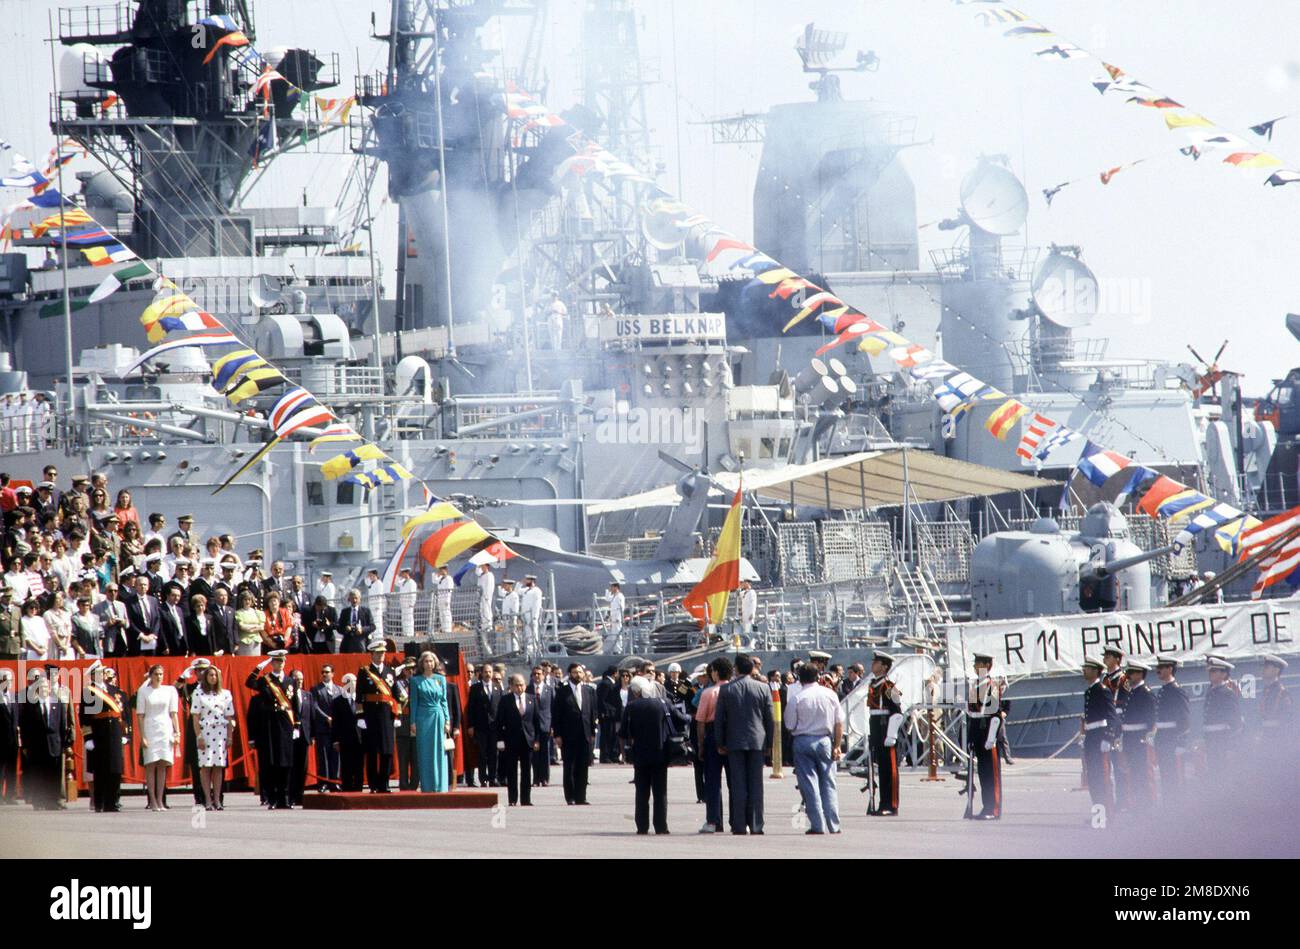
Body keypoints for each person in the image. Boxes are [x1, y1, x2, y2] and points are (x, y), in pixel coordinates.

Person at [714, 653, 774, 835]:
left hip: (734, 742)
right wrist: (770, 743)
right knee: (756, 785)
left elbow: (719, 720)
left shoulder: (726, 690)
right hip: (757, 741)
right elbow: (770, 719)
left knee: (738, 784)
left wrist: (720, 742)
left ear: (736, 669)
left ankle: (739, 825)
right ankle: (756, 825)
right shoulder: (764, 688)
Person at [621, 676, 689, 834]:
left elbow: (623, 731)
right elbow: (681, 720)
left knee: (641, 792)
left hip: (639, 755)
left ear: (636, 691)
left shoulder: (631, 707)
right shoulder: (663, 704)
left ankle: (642, 826)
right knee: (660, 792)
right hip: (660, 753)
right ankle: (661, 826)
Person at [784, 662, 844, 834]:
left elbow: (789, 724)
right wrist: (838, 746)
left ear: (799, 679)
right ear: (818, 676)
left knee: (809, 784)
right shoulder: (830, 694)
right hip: (825, 740)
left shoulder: (797, 698)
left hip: (802, 741)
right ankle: (834, 824)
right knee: (829, 783)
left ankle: (817, 825)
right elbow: (839, 722)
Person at [245, 651, 296, 809]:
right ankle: (272, 798)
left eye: (281, 661)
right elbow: (249, 683)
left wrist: (298, 725)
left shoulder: (290, 681)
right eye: (275, 662)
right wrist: (259, 667)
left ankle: (285, 797)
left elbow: (295, 704)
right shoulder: (265, 680)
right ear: (271, 663)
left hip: (285, 725)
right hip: (269, 725)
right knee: (271, 763)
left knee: (285, 763)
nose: (279, 664)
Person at [80, 662, 130, 813]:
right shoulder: (89, 692)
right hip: (99, 731)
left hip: (115, 732)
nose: (102, 675)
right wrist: (88, 737)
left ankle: (112, 802)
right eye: (99, 672)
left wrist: (125, 733)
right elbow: (84, 717)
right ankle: (100, 802)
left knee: (115, 769)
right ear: (93, 675)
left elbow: (124, 714)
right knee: (101, 769)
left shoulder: (114, 691)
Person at [20, 671, 72, 810]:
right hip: (37, 744)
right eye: (41, 687)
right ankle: (39, 802)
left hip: (55, 743)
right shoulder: (31, 705)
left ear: (49, 688)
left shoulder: (58, 703)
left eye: (46, 687)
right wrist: (25, 745)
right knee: (39, 773)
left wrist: (64, 744)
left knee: (54, 773)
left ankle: (53, 800)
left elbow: (62, 725)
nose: (44, 689)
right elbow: (25, 726)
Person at [356, 639, 399, 792]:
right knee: (372, 752)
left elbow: (396, 695)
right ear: (372, 654)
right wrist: (360, 717)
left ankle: (384, 784)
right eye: (378, 653)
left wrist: (397, 716)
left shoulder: (390, 671)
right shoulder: (364, 671)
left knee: (387, 752)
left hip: (387, 716)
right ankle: (374, 785)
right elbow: (359, 695)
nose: (381, 655)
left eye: (383, 653)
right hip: (371, 716)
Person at [135, 664, 180, 811]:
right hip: (149, 727)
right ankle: (152, 800)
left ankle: (160, 800)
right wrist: (143, 736)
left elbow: (173, 713)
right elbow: (140, 716)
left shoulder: (170, 690)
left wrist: (177, 732)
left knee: (162, 766)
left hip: (165, 728)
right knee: (150, 765)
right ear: (150, 675)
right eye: (156, 674)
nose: (159, 677)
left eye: (161, 674)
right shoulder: (143, 691)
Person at [191, 664, 235, 811]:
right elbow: (195, 717)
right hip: (205, 731)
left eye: (215, 675)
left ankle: (217, 799)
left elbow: (229, 717)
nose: (213, 677)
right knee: (205, 767)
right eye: (210, 675)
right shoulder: (198, 693)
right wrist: (199, 736)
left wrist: (229, 736)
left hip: (220, 732)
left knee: (218, 767)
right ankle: (207, 800)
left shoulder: (225, 694)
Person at [552, 662, 597, 805]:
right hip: (568, 734)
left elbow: (592, 712)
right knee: (569, 766)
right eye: (575, 672)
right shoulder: (561, 691)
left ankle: (581, 796)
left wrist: (592, 731)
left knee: (583, 766)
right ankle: (570, 796)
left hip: (585, 734)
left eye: (580, 672)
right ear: (570, 674)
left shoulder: (588, 690)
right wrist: (557, 735)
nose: (578, 675)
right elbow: (556, 714)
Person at [865, 652, 904, 816]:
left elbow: (897, 713)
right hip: (876, 728)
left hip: (886, 729)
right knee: (881, 770)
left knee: (890, 769)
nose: (873, 664)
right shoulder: (874, 684)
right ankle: (883, 803)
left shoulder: (889, 687)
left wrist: (892, 735)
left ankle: (891, 804)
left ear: (884, 666)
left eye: (877, 662)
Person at [1081, 657, 1121, 814]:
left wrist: (1108, 737)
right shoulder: (1089, 691)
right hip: (1091, 737)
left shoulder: (1102, 690)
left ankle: (1108, 814)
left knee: (1102, 777)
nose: (1084, 671)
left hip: (1099, 737)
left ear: (1096, 671)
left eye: (1087, 668)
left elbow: (1112, 716)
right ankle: (1099, 814)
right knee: (1093, 778)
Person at [495, 673, 541, 806]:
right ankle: (513, 799)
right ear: (511, 686)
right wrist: (500, 740)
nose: (520, 688)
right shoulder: (505, 700)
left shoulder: (532, 699)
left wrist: (537, 740)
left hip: (527, 740)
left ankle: (526, 799)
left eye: (522, 685)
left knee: (527, 771)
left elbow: (536, 721)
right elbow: (499, 722)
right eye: (517, 685)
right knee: (512, 771)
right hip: (511, 741)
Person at [967, 653, 1003, 820]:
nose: (975, 666)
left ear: (988, 666)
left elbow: (995, 715)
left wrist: (991, 738)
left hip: (987, 734)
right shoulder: (975, 685)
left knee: (991, 774)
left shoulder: (991, 685)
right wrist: (970, 738)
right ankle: (985, 806)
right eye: (975, 663)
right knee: (983, 773)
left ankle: (993, 808)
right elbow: (972, 714)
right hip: (978, 733)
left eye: (979, 663)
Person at [410, 651, 451, 792]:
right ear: (422, 664)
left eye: (431, 661)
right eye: (426, 661)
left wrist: (447, 720)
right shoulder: (415, 681)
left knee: (440, 750)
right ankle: (427, 786)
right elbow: (413, 702)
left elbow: (444, 701)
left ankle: (441, 785)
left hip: (438, 716)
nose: (429, 663)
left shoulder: (441, 679)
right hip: (423, 717)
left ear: (435, 663)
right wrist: (412, 722)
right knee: (425, 751)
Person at [1119, 659, 1157, 811]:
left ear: (1140, 674)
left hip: (1139, 739)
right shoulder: (1132, 692)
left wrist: (1148, 737)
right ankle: (1138, 809)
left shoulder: (1145, 693)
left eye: (1131, 672)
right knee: (1133, 775)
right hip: (1130, 738)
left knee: (1142, 776)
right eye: (1127, 672)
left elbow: (1152, 718)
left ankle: (1146, 809)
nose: (1128, 676)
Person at [1153, 657, 1190, 802]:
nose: (1158, 670)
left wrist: (1181, 742)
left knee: (1176, 777)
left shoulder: (1177, 691)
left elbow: (1184, 719)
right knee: (1166, 775)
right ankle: (1169, 807)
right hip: (1163, 738)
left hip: (1172, 739)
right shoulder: (1164, 690)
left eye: (1161, 667)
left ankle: (1178, 808)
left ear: (1170, 669)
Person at [1202, 656, 1242, 775]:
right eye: (1210, 671)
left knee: (1222, 772)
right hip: (1211, 739)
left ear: (1224, 674)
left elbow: (1236, 721)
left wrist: (1230, 745)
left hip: (1221, 740)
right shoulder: (1211, 691)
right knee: (1213, 771)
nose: (1210, 673)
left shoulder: (1227, 693)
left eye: (1214, 671)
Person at [467, 664, 502, 786]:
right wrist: (470, 725)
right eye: (486, 672)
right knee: (482, 753)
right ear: (481, 673)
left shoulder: (498, 688)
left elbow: (500, 708)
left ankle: (493, 778)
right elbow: (470, 708)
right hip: (480, 726)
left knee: (493, 753)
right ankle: (483, 778)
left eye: (490, 672)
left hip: (494, 727)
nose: (488, 674)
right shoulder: (475, 688)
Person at [311, 665, 342, 791]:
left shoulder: (339, 689)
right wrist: (326, 718)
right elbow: (315, 706)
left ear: (333, 673)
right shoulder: (316, 689)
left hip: (335, 730)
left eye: (327, 672)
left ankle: (334, 782)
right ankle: (323, 782)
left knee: (336, 756)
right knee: (323, 757)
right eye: (322, 672)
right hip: (322, 729)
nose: (324, 674)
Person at [332, 673, 364, 792]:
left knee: (359, 766)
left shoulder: (362, 700)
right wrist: (335, 740)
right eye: (347, 682)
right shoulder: (337, 701)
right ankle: (347, 789)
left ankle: (358, 789)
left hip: (360, 738)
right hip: (345, 739)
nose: (350, 684)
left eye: (353, 681)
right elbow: (335, 723)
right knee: (346, 766)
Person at [289, 669, 315, 805]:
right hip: (292, 734)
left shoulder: (307, 695)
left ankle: (300, 795)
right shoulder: (287, 694)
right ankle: (290, 795)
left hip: (304, 735)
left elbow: (312, 716)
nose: (299, 681)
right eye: (296, 679)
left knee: (302, 767)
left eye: (301, 679)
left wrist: (312, 735)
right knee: (291, 766)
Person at [527, 665, 554, 786]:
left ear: (543, 675)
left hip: (545, 726)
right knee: (534, 754)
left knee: (545, 753)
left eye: (539, 674)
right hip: (531, 727)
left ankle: (545, 778)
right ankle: (536, 778)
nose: (537, 676)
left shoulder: (550, 690)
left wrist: (553, 726)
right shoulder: (527, 689)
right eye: (535, 674)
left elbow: (554, 709)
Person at [394, 660, 417, 790]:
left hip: (416, 724)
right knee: (403, 758)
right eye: (408, 669)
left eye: (413, 669)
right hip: (402, 723)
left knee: (416, 758)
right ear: (404, 670)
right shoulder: (398, 685)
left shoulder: (419, 683)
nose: (410, 672)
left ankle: (414, 784)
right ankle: (403, 784)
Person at [0, 669, 18, 803]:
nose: (10, 683)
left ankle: (10, 795)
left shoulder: (14, 697)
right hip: (1, 740)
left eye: (11, 680)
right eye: (7, 680)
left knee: (11, 769)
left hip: (13, 739)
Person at [337, 588, 373, 653]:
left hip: (362, 641)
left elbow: (372, 626)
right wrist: (346, 629)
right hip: (348, 642)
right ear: (349, 599)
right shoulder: (344, 612)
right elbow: (339, 628)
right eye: (352, 598)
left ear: (360, 599)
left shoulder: (366, 611)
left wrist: (362, 630)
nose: (354, 600)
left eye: (356, 598)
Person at [233, 590, 264, 656]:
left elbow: (261, 627)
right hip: (243, 642)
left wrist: (249, 628)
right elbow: (242, 627)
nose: (247, 601)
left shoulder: (258, 613)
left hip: (256, 641)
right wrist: (256, 626)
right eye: (245, 599)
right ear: (242, 600)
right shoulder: (238, 613)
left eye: (249, 599)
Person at [520, 575, 544, 653]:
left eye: (527, 580)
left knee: (532, 635)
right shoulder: (526, 590)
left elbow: (537, 605)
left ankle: (534, 652)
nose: (526, 581)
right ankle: (528, 652)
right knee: (527, 635)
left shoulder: (537, 591)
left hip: (532, 617)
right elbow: (517, 591)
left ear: (532, 581)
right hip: (525, 616)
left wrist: (534, 617)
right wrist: (520, 583)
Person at [475, 564, 494, 654]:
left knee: (487, 612)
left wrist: (486, 596)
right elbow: (477, 573)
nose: (481, 568)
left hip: (486, 598)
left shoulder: (489, 575)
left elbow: (489, 587)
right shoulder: (481, 576)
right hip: (481, 598)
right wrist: (477, 565)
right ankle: (484, 625)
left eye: (483, 566)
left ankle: (488, 626)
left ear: (487, 566)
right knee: (482, 613)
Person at [395, 567, 417, 639]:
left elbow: (413, 594)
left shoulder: (412, 582)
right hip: (403, 604)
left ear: (406, 573)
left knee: (409, 618)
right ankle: (405, 633)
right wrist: (398, 575)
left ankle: (410, 633)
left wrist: (412, 603)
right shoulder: (403, 582)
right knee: (404, 619)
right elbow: (396, 582)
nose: (402, 574)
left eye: (403, 573)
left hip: (409, 604)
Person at [364, 568, 385, 640]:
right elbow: (366, 582)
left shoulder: (379, 583)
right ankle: (374, 634)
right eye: (369, 576)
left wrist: (377, 606)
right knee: (373, 621)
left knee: (377, 621)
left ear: (374, 575)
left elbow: (379, 595)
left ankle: (378, 635)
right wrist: (367, 576)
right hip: (372, 605)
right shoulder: (371, 583)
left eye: (371, 575)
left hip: (376, 606)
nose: (369, 577)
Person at [499, 578, 519, 650]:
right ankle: (509, 651)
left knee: (513, 636)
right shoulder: (506, 594)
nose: (504, 586)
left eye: (506, 585)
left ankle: (515, 651)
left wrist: (513, 618)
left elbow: (515, 609)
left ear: (510, 585)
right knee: (507, 637)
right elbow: (500, 592)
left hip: (511, 619)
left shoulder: (514, 595)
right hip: (505, 619)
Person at [434, 565, 455, 635]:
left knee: (446, 613)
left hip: (445, 599)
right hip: (440, 599)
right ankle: (443, 628)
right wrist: (436, 574)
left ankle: (448, 629)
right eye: (439, 570)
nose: (440, 571)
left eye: (441, 570)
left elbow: (449, 590)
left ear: (445, 570)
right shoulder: (440, 578)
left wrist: (447, 600)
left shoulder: (449, 579)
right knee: (441, 614)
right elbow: (434, 581)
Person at [605, 582, 625, 651]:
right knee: (614, 634)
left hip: (617, 619)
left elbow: (621, 608)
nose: (611, 588)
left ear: (616, 587)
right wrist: (608, 591)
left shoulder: (620, 596)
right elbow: (607, 599)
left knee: (617, 634)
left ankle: (619, 650)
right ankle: (616, 649)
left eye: (612, 587)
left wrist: (618, 618)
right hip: (613, 618)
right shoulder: (614, 596)